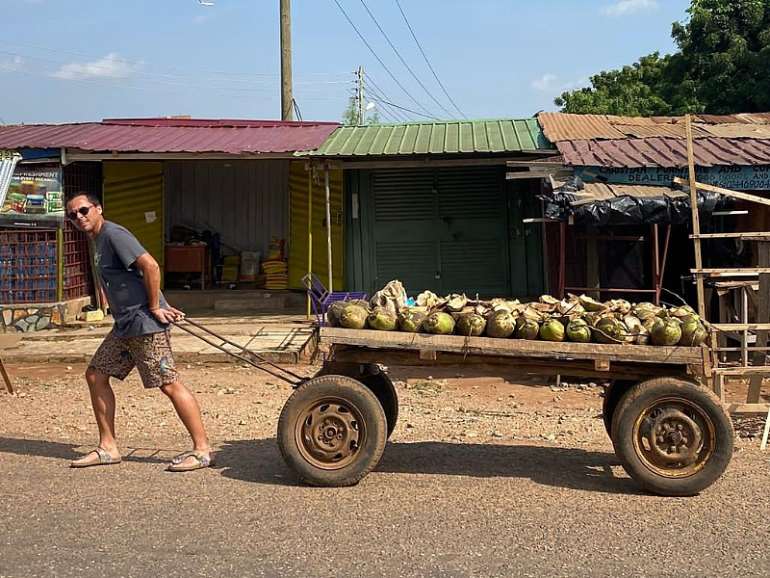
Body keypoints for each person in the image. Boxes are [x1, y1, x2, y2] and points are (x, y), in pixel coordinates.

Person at [65, 191, 212, 472]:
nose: (79, 217)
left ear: (98, 208)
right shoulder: (97, 240)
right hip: (125, 326)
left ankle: (203, 451)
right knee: (96, 375)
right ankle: (108, 447)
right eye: (73, 215)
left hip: (144, 324)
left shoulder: (113, 234)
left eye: (83, 210)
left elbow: (151, 265)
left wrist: (156, 306)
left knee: (169, 383)